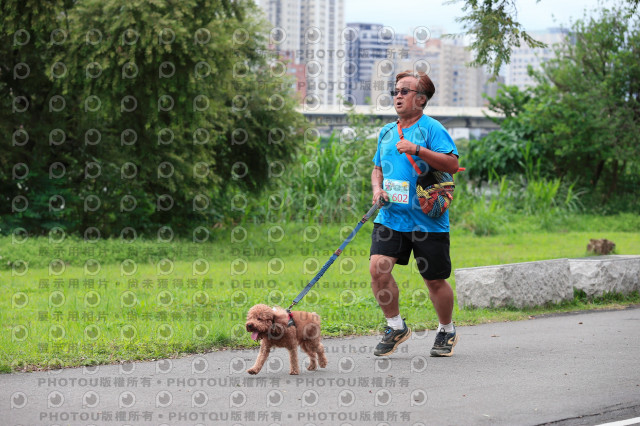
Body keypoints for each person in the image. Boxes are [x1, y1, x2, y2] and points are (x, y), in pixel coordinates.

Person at [370, 70, 460, 357]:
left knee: (434, 279)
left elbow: (451, 163)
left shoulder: (432, 129)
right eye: (395, 90)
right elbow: (377, 169)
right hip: (391, 216)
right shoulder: (386, 131)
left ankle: (446, 329)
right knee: (378, 267)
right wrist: (377, 190)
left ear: (420, 99)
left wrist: (417, 149)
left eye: (404, 91)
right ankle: (395, 326)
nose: (397, 95)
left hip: (427, 219)